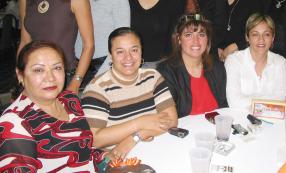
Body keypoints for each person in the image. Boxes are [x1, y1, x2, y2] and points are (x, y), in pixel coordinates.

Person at [0, 41, 109, 172]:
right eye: (38, 70)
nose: (50, 78)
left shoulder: (69, 100)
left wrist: (105, 157)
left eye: (57, 68)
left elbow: (83, 149)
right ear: (20, 75)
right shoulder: (15, 122)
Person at [81, 27, 178, 159]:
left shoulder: (153, 77)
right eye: (120, 52)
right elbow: (95, 139)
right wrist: (141, 122)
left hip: (157, 150)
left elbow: (171, 121)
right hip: (120, 158)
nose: (129, 57)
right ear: (110, 55)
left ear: (141, 52)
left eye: (134, 50)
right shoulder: (97, 89)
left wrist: (136, 137)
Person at [157, 14, 228, 118]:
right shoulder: (166, 72)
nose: (196, 41)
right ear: (179, 39)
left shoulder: (217, 67)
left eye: (201, 35)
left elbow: (225, 106)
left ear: (207, 39)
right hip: (185, 131)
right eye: (188, 35)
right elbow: (168, 117)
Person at [225, 13, 286, 110]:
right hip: (239, 120)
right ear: (247, 37)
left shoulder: (280, 62)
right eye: (255, 34)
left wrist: (247, 101)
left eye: (266, 34)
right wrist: (269, 102)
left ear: (273, 38)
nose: (261, 40)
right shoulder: (234, 60)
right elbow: (234, 102)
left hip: (272, 120)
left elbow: (280, 100)